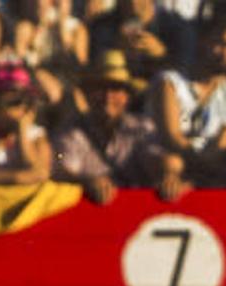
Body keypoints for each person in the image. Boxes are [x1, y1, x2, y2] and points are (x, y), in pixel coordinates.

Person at [49, 48, 166, 202]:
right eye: (100, 88)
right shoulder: (71, 131)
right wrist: (86, 182)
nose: (108, 96)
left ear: (127, 96)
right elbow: (62, 171)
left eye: (116, 88)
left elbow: (158, 158)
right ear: (88, 93)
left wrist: (170, 174)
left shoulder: (143, 129)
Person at [150, 19, 226, 187]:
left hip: (207, 169)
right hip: (164, 162)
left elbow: (221, 146)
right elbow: (172, 137)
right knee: (172, 162)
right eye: (220, 43)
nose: (224, 53)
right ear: (205, 41)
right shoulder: (170, 81)